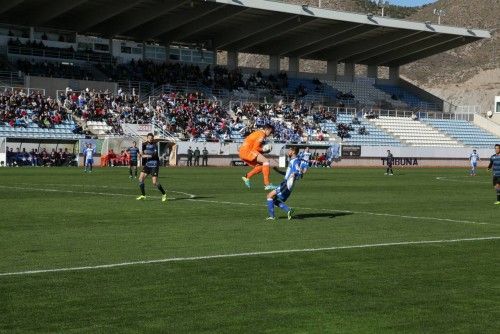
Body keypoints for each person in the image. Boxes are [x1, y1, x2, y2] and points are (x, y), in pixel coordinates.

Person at [266, 146, 303, 220]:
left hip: (286, 184)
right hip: (286, 183)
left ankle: (272, 217)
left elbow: (298, 172)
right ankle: (288, 210)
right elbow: (289, 173)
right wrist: (278, 171)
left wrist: (295, 174)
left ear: (293, 152)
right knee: (274, 199)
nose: (288, 151)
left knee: (269, 196)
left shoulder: (295, 161)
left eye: (289, 150)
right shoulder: (293, 160)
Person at [239, 124, 277, 190]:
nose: (270, 134)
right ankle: (267, 184)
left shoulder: (258, 133)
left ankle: (247, 176)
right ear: (267, 129)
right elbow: (256, 148)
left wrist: (263, 151)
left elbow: (255, 148)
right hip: (247, 151)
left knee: (262, 166)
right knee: (266, 161)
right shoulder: (262, 134)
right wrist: (264, 150)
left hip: (243, 152)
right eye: (270, 132)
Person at [136, 133, 167, 202]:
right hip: (148, 164)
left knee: (154, 182)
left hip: (154, 165)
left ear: (153, 138)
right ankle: (143, 195)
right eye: (149, 138)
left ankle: (164, 194)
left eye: (151, 138)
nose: (150, 139)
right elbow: (142, 152)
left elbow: (154, 155)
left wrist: (144, 156)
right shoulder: (144, 145)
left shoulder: (155, 145)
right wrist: (140, 154)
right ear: (147, 138)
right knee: (140, 179)